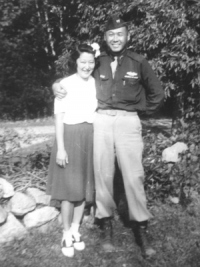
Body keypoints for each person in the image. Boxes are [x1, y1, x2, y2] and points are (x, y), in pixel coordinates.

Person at [52, 15, 164, 258]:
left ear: (128, 36)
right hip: (101, 120)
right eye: (111, 34)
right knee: (103, 175)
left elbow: (157, 92)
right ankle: (106, 225)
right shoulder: (98, 61)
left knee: (133, 176)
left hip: (127, 121)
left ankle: (141, 228)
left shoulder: (138, 61)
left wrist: (140, 113)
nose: (115, 38)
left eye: (120, 34)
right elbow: (77, 77)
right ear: (105, 38)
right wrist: (55, 84)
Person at [46, 44, 97, 258]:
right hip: (69, 137)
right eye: (82, 62)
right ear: (75, 63)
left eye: (90, 62)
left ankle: (76, 230)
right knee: (68, 191)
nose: (87, 66)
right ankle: (66, 233)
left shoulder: (95, 82)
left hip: (89, 136)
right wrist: (61, 148)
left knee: (84, 187)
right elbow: (59, 118)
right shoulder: (65, 85)